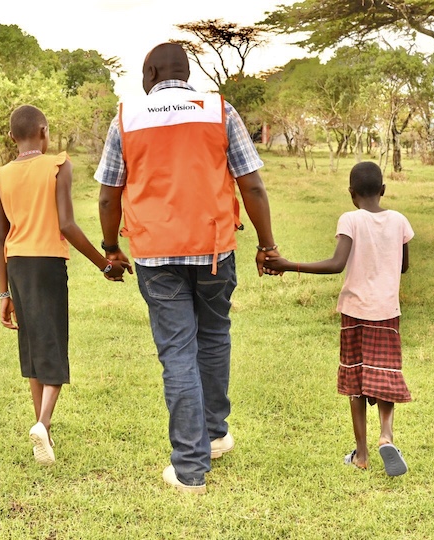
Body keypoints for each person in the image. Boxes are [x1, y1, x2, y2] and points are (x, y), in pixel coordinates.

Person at [95, 43, 280, 493]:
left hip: (156, 256)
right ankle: (215, 437)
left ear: (153, 71)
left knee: (177, 353)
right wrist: (267, 244)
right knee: (214, 340)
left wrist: (110, 247)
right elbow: (251, 184)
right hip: (215, 248)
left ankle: (189, 469)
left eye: (143, 73)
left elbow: (107, 194)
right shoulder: (219, 110)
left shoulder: (128, 116)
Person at [0, 104, 132, 466]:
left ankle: (46, 435)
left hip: (17, 267)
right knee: (53, 342)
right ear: (44, 131)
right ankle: (43, 422)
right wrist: (105, 264)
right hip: (48, 263)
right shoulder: (58, 164)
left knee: (33, 349)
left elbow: (0, 238)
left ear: (12, 137)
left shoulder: (1, 175)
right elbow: (67, 224)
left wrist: (3, 292)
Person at [263, 161, 413, 476]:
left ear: (351, 193)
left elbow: (336, 264)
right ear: (383, 190)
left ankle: (361, 453)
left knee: (356, 381)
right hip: (388, 311)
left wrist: (289, 264)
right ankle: (386, 434)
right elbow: (403, 267)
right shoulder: (400, 221)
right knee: (384, 372)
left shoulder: (350, 219)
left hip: (356, 311)